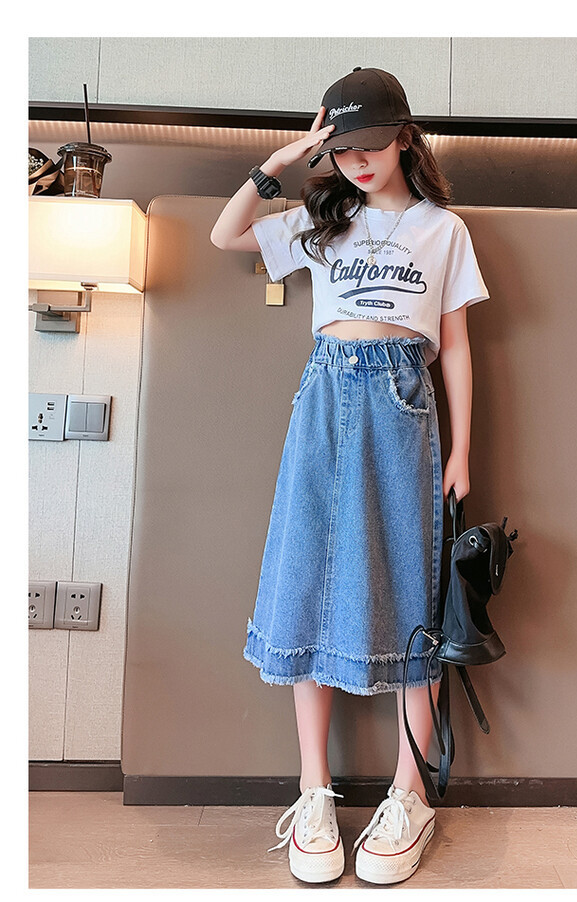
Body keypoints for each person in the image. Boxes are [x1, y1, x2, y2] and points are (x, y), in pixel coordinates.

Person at [211, 67, 489, 886]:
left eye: (370, 146)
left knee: (409, 592)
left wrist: (463, 451)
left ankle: (409, 795)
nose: (357, 163)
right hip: (325, 395)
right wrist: (282, 161)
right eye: (342, 150)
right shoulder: (320, 218)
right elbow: (226, 235)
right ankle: (313, 792)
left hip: (402, 399)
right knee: (308, 577)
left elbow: (457, 346)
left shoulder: (443, 230)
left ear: (404, 137)